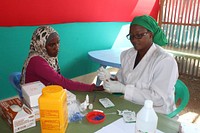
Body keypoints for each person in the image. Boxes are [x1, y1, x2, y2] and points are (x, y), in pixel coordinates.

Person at [98, 15, 179, 114]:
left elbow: (158, 99)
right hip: (131, 108)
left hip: (157, 114)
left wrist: (124, 89)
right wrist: (109, 77)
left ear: (151, 34)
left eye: (139, 35)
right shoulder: (127, 55)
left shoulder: (165, 61)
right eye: (131, 36)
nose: (134, 40)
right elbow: (122, 80)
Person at [20, 25, 103, 92]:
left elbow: (57, 80)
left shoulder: (46, 57)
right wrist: (92, 87)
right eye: (52, 45)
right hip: (35, 97)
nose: (56, 47)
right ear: (41, 45)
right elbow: (61, 82)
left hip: (44, 90)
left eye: (57, 43)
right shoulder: (37, 62)